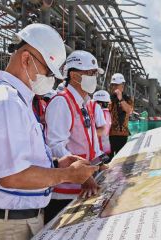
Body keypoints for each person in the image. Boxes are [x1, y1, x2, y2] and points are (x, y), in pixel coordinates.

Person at [0, 23, 99, 240]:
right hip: (9, 227)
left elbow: (19, 161)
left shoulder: (13, 99)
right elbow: (10, 176)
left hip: (15, 220)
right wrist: (67, 175)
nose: (50, 79)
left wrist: (57, 164)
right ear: (27, 59)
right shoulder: (6, 102)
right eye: (48, 72)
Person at [44, 50, 105, 223]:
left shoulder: (84, 103)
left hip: (84, 187)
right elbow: (55, 146)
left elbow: (89, 140)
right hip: (65, 194)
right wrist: (83, 175)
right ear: (74, 75)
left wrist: (99, 164)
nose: (94, 77)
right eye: (90, 73)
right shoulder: (61, 102)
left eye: (94, 73)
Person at [108, 73, 134, 159]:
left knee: (121, 160)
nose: (114, 87)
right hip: (109, 135)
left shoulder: (127, 98)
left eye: (116, 85)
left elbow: (129, 111)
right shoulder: (109, 98)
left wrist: (121, 98)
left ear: (122, 86)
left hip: (122, 135)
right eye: (113, 85)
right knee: (108, 161)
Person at [91, 90, 112, 156]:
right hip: (106, 148)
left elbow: (102, 132)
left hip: (100, 150)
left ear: (100, 104)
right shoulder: (107, 113)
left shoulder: (102, 113)